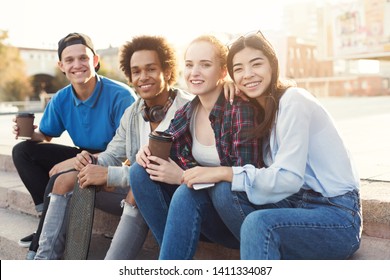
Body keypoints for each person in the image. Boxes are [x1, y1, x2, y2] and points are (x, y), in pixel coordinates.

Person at [34, 35, 194, 260]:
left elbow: (153, 175)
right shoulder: (133, 112)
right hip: (134, 183)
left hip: (173, 194)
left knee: (136, 191)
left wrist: (109, 175)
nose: (143, 77)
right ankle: (44, 260)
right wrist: (89, 162)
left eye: (150, 69)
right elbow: (112, 154)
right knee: (65, 180)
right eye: (136, 71)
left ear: (167, 72)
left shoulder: (187, 110)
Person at [211, 31, 362, 259]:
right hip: (295, 205)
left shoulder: (294, 100)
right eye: (239, 69)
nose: (248, 74)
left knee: (258, 223)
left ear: (272, 64)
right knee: (224, 191)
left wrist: (223, 172)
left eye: (256, 64)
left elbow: (289, 179)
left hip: (337, 216)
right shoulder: (261, 111)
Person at [130, 35, 261, 260]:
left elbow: (245, 179)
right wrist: (146, 153)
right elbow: (164, 141)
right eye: (189, 65)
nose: (194, 72)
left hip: (238, 218)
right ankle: (170, 256)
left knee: (187, 192)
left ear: (222, 72)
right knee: (139, 170)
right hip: (203, 217)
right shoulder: (187, 113)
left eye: (205, 65)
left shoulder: (239, 110)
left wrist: (183, 177)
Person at [12, 32, 136, 259]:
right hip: (83, 153)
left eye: (83, 58)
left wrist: (74, 161)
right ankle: (47, 219)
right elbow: (46, 135)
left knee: (60, 177)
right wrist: (28, 133)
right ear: (61, 65)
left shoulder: (121, 96)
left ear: (95, 61)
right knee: (22, 151)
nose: (77, 65)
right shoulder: (61, 98)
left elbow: (128, 152)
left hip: (113, 161)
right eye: (69, 60)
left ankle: (39, 245)